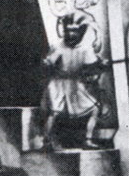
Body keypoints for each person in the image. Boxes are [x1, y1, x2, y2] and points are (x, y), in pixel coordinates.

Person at [42, 10, 108, 150]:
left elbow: (91, 67)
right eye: (68, 31)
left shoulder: (86, 49)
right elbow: (48, 64)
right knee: (54, 112)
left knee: (95, 109)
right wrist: (47, 64)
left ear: (80, 32)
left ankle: (88, 140)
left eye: (74, 31)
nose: (71, 34)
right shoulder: (57, 47)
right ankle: (46, 142)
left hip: (76, 85)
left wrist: (100, 64)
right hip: (58, 83)